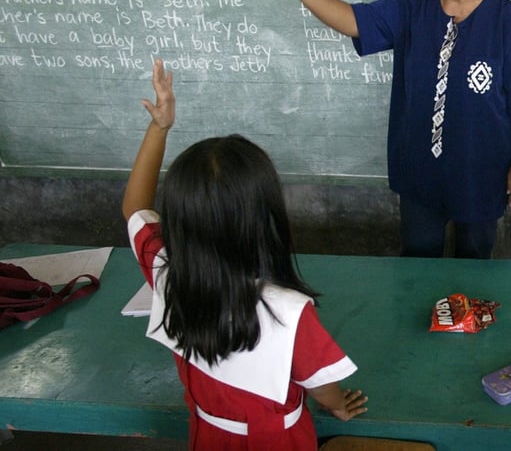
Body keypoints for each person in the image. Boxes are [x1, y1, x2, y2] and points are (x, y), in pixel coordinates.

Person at [253, 0, 511, 260]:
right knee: (417, 260)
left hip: (481, 171)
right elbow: (354, 21)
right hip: (419, 172)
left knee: (475, 262)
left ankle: (469, 318)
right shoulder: (411, 4)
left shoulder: (507, 18)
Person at [122, 60, 368, 450]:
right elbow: (323, 389)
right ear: (263, 219)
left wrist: (159, 127)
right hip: (277, 440)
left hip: (206, 432)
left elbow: (134, 209)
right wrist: (339, 406)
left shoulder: (168, 273)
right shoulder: (288, 311)